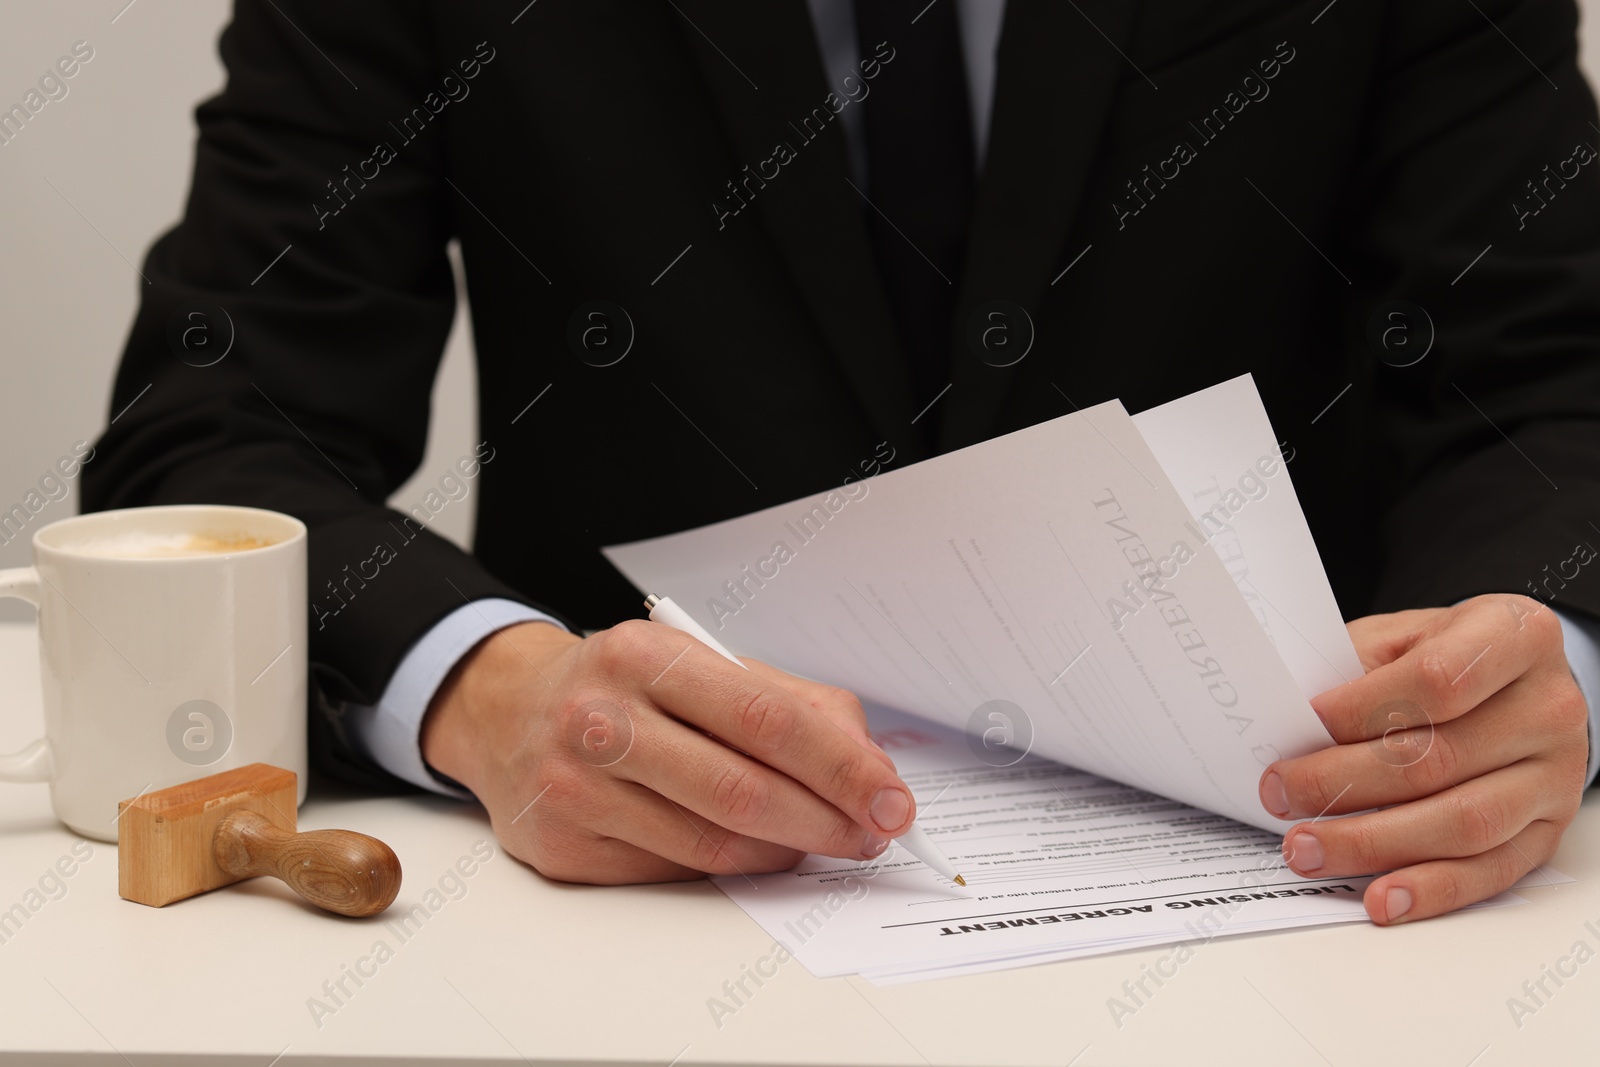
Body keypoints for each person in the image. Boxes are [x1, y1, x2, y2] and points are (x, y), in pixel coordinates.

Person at [83, 0, 1600, 926]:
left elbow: (1552, 373)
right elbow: (208, 435)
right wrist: (482, 693)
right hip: (629, 919)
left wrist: (1551, 674)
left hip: (1307, 905)